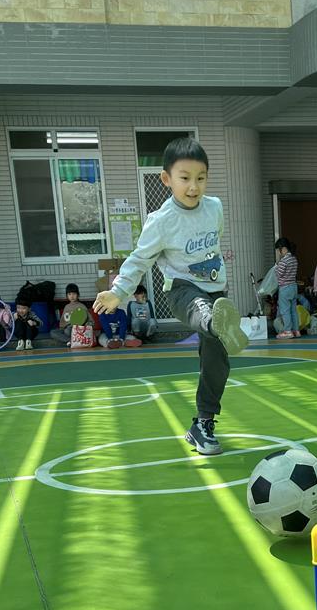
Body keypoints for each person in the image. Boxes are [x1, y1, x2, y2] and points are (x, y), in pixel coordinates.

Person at [93, 137, 247, 456]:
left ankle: (202, 424)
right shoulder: (161, 221)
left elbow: (214, 245)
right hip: (181, 291)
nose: (193, 186)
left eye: (201, 178)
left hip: (217, 292)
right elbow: (139, 259)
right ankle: (216, 323)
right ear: (166, 178)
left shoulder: (215, 208)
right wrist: (118, 291)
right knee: (203, 310)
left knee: (217, 364)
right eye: (185, 178)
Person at [274, 237, 300, 339]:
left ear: (283, 248)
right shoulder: (294, 259)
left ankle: (288, 331)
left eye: (278, 250)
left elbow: (279, 274)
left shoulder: (283, 261)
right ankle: (296, 330)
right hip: (293, 287)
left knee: (285, 310)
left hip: (285, 288)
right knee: (293, 310)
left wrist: (276, 266)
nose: (278, 252)